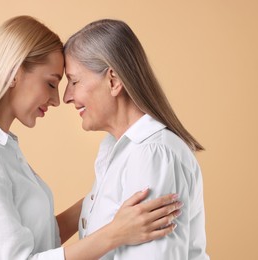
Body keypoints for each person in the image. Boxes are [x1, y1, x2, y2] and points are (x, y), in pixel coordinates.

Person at [0, 16, 183, 260]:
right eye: (52, 84)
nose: (58, 99)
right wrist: (114, 234)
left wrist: (108, 196)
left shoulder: (3, 149)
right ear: (14, 73)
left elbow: (42, 240)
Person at [63, 19, 209, 259]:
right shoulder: (118, 150)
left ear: (113, 80)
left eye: (74, 81)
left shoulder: (152, 154)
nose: (67, 96)